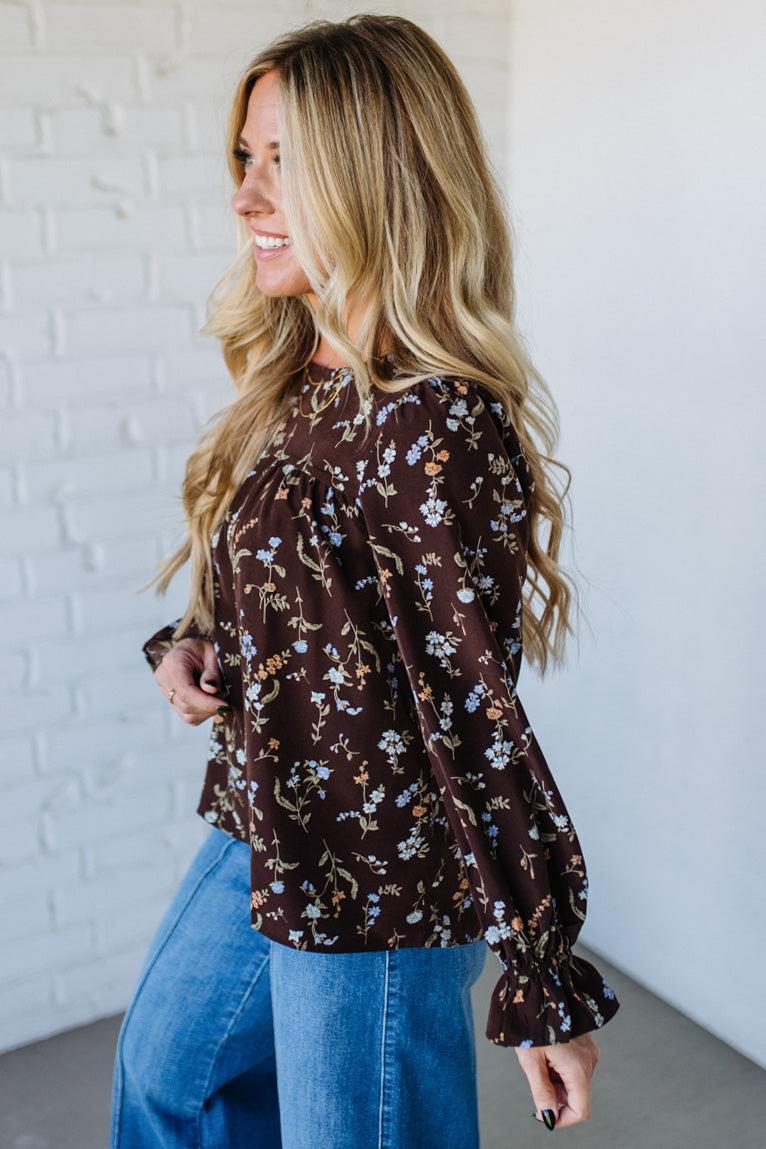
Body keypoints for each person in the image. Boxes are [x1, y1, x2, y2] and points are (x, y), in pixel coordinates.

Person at [110, 14, 620, 1148]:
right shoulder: (301, 379)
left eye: (284, 162)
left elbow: (475, 719)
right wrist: (199, 645)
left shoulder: (433, 427)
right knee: (167, 1078)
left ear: (379, 178)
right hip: (266, 816)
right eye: (245, 157)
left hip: (378, 886)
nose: (246, 195)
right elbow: (310, 602)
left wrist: (539, 973)